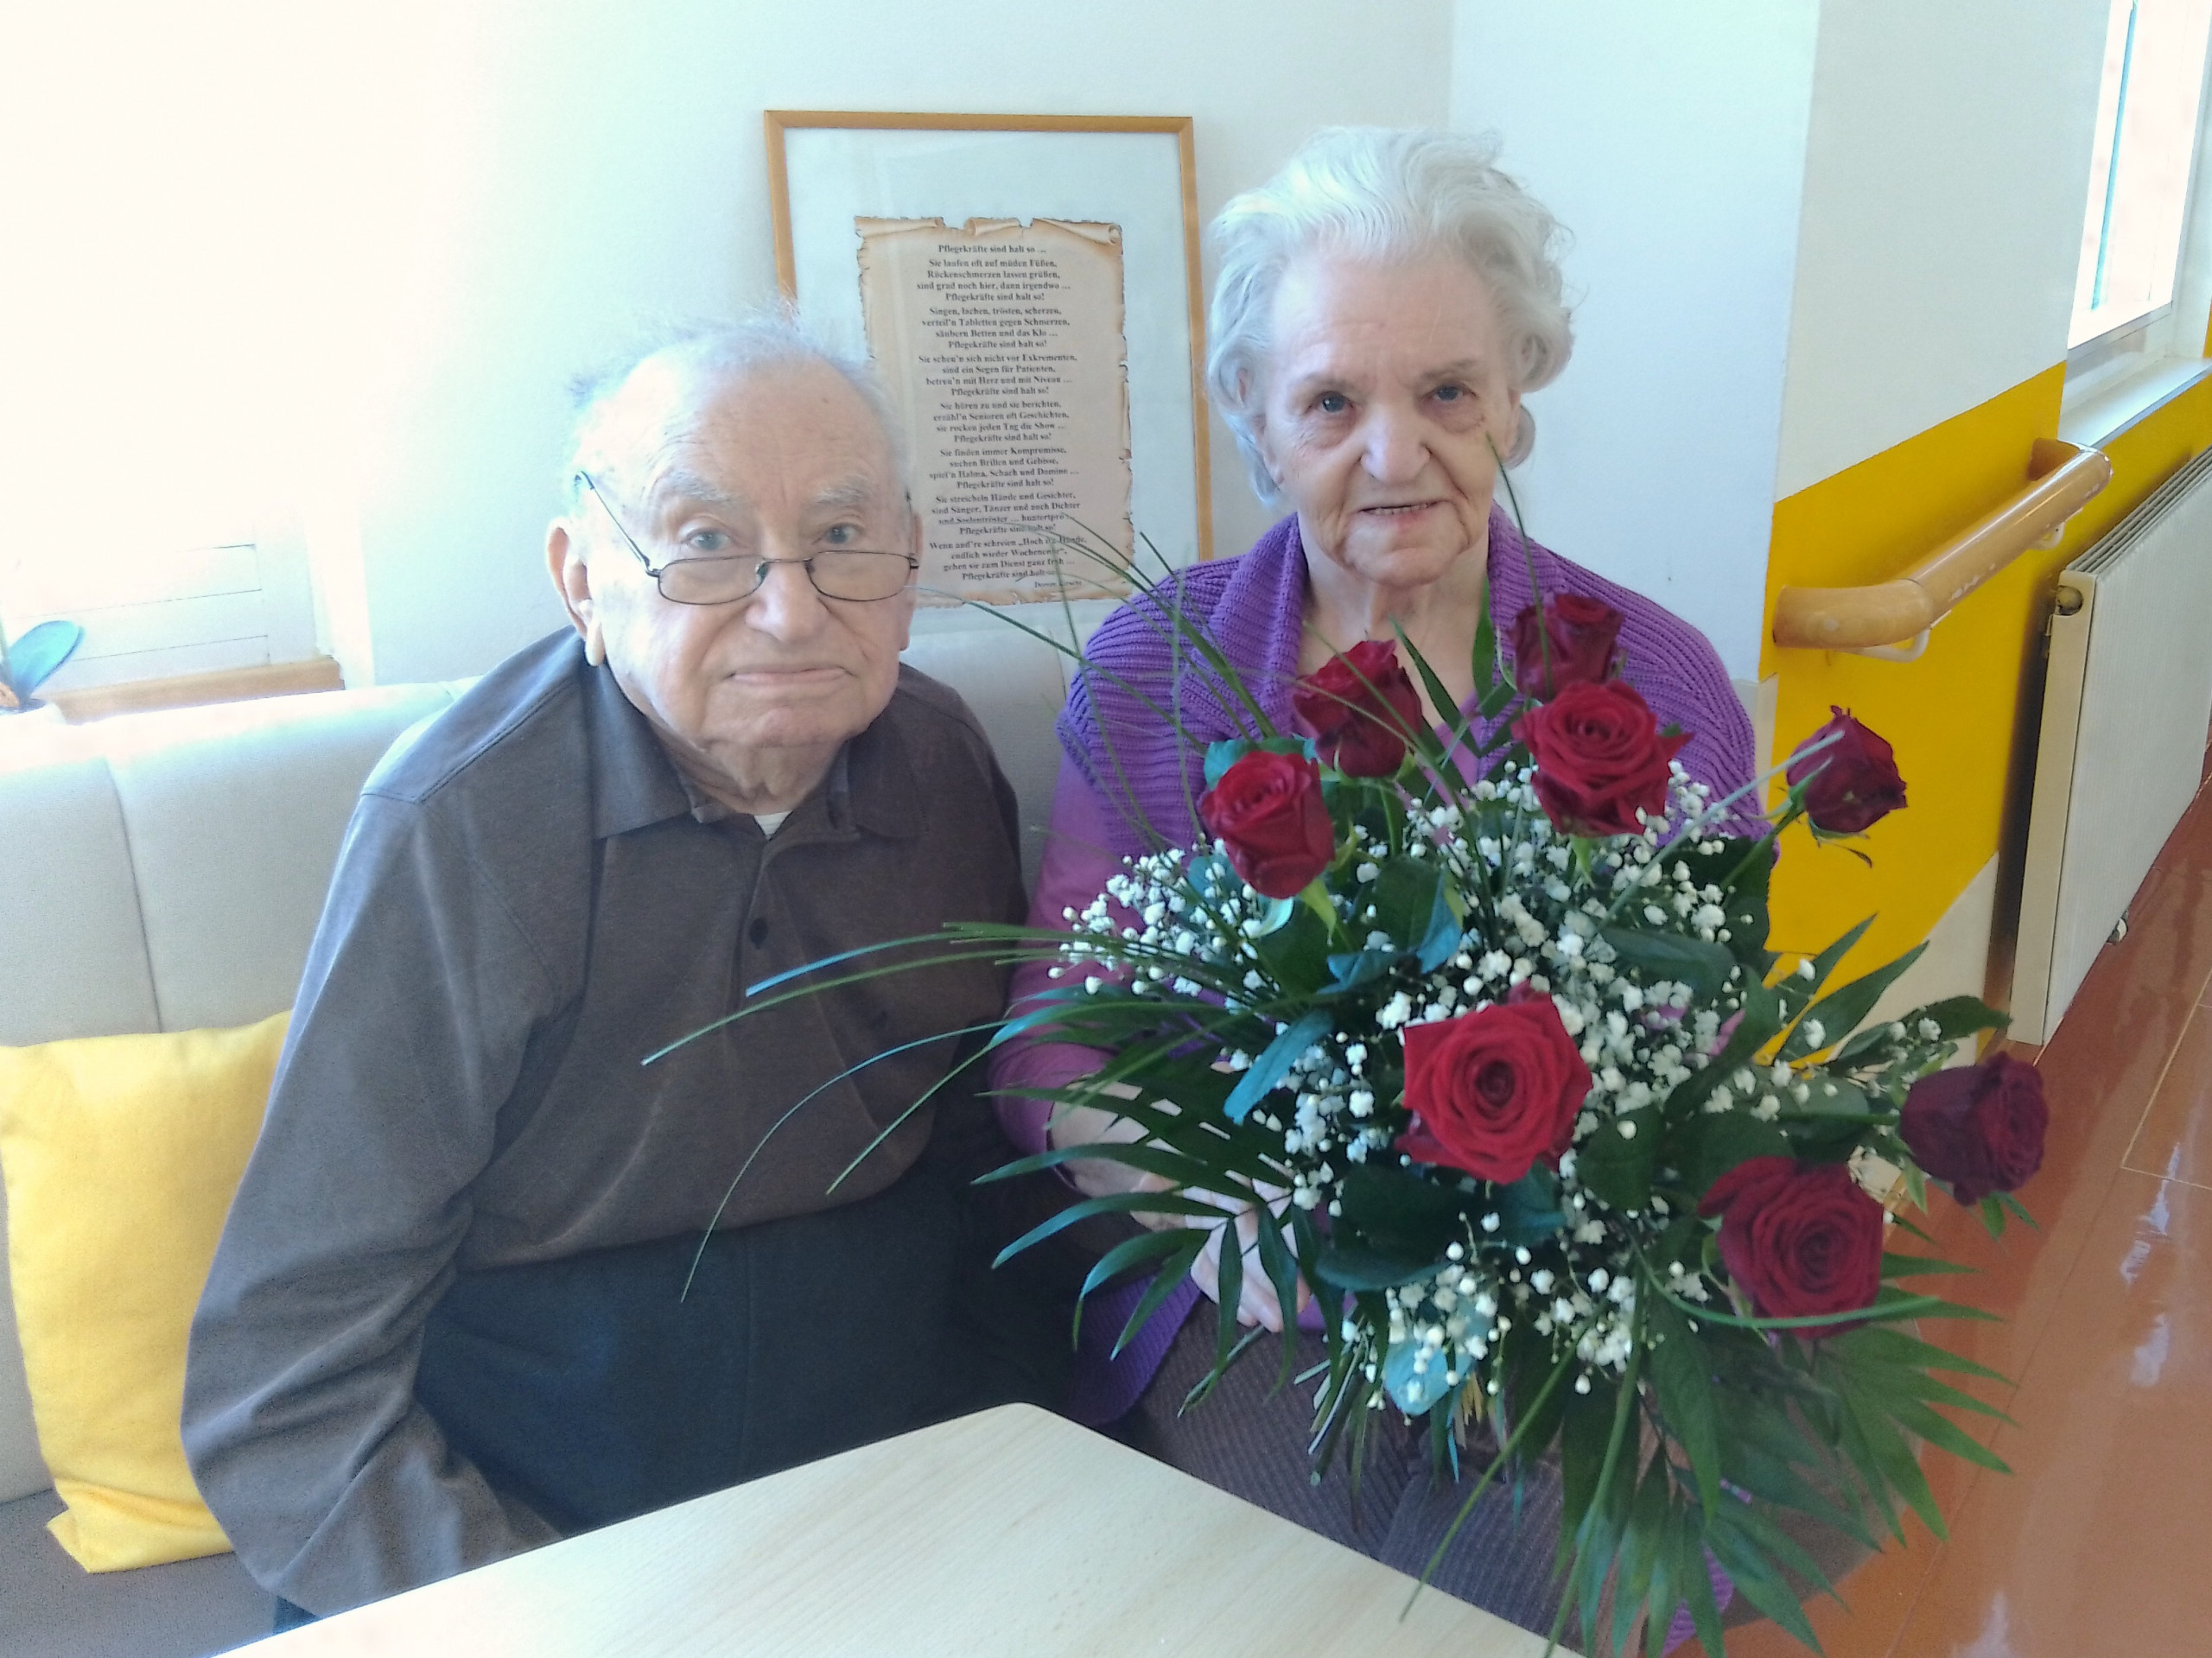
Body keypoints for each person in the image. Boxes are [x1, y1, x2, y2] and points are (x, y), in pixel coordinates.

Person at [183, 316, 1069, 1625]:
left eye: (840, 538)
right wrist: (533, 1615)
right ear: (581, 580)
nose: (787, 608)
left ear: (911, 562)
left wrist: (1013, 1466)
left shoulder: (938, 767)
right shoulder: (464, 823)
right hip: (535, 1474)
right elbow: (281, 1380)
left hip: (879, 1447)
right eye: (706, 542)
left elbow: (978, 1165)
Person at [991, 128, 1758, 1632]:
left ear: (1517, 401)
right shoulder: (1158, 667)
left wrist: (1545, 1263)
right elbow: (1055, 1031)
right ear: (1254, 419)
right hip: (1246, 1283)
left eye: (1449, 392)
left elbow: (1706, 1052)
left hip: (1559, 1294)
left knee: (1525, 1559)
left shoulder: (1654, 683)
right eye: (1333, 401)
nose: (1395, 454)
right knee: (1293, 1587)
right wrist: (1209, 1217)